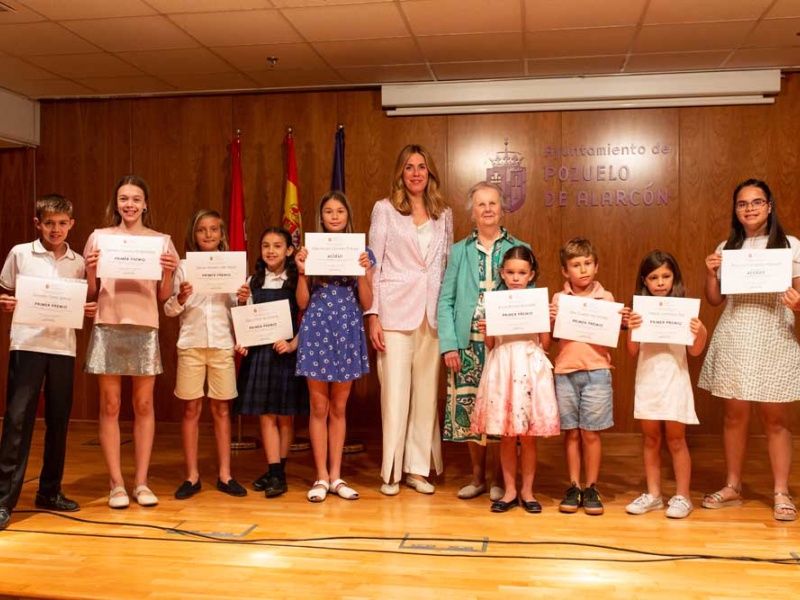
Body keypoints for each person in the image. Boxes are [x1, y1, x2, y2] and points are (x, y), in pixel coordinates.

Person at [699, 179, 800, 522]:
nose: (750, 208)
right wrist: (711, 273)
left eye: (757, 202)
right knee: (734, 416)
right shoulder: (727, 247)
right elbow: (715, 299)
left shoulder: (790, 245)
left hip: (774, 333)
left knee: (776, 419)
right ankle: (733, 486)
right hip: (736, 332)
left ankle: (781, 491)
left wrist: (797, 303)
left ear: (769, 206)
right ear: (736, 210)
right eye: (742, 204)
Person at [0, 195, 97, 529]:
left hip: (63, 348)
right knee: (17, 421)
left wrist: (88, 309)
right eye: (49, 223)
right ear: (37, 224)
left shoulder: (78, 262)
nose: (56, 229)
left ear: (71, 224)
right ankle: (3, 500)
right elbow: (4, 290)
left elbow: (83, 299)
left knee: (58, 420)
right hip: (27, 344)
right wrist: (4, 302)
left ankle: (49, 491)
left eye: (62, 223)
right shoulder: (20, 253)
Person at [83, 175, 179, 509]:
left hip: (144, 327)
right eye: (124, 198)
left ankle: (141, 482)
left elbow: (164, 296)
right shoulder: (99, 237)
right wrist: (91, 270)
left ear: (145, 204)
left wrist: (169, 272)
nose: (130, 205)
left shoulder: (161, 242)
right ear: (116, 203)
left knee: (144, 405)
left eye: (136, 199)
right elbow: (91, 292)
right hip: (108, 324)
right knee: (110, 405)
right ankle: (116, 483)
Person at [368, 144, 453, 496]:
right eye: (409, 167)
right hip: (393, 313)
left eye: (421, 167)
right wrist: (373, 315)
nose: (416, 173)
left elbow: (444, 266)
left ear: (430, 172)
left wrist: (447, 316)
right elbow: (373, 265)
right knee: (395, 394)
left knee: (426, 395)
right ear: (400, 174)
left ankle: (417, 469)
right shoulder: (384, 209)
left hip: (431, 316)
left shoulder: (444, 213)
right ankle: (391, 471)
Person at [437, 181, 527, 501]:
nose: (487, 209)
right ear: (472, 213)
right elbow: (446, 300)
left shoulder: (519, 248)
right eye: (481, 204)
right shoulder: (459, 250)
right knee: (471, 408)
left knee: (502, 409)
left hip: (505, 345)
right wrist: (449, 344)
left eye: (493, 203)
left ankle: (501, 479)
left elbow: (528, 299)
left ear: (502, 209)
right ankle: (477, 478)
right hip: (467, 343)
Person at [165, 209, 250, 500]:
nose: (208, 234)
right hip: (191, 344)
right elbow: (169, 309)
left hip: (222, 344)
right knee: (191, 410)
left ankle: (225, 475)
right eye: (202, 229)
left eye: (214, 229)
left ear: (222, 233)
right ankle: (192, 476)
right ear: (194, 234)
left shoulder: (233, 265)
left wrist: (243, 299)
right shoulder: (184, 267)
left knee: (222, 410)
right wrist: (181, 297)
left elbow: (240, 308)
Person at [295, 193, 374, 502]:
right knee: (319, 407)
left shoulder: (362, 252)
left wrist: (363, 272)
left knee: (339, 407)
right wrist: (302, 273)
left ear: (347, 215)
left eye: (340, 210)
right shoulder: (309, 250)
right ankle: (321, 477)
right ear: (321, 217)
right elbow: (302, 302)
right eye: (328, 211)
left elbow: (367, 301)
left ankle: (337, 476)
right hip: (317, 327)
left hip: (347, 328)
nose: (335, 216)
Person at [471, 246, 559, 513]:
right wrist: (486, 329)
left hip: (529, 365)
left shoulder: (537, 301)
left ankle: (527, 491)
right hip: (503, 365)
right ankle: (509, 491)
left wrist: (547, 322)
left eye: (521, 273)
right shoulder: (494, 301)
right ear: (502, 273)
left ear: (531, 274)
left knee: (528, 436)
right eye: (510, 272)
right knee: (507, 435)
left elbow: (545, 344)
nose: (516, 278)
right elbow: (490, 344)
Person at [624, 251, 707, 519]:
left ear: (674, 278)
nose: (660, 282)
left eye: (666, 276)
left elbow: (695, 351)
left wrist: (700, 331)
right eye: (653, 277)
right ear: (644, 281)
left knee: (676, 439)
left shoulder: (684, 310)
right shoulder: (639, 310)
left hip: (675, 380)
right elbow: (631, 352)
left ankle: (683, 496)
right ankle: (654, 495)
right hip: (648, 380)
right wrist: (631, 327)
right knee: (650, 439)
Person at [235, 227, 309, 498]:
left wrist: (292, 345)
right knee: (265, 415)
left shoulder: (296, 279)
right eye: (266, 245)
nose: (271, 251)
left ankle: (278, 472)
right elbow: (245, 318)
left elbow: (307, 316)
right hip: (260, 356)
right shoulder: (253, 281)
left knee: (285, 416)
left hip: (285, 353)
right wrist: (242, 339)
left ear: (289, 250)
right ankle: (274, 470)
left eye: (277, 246)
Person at [550, 238, 619, 516]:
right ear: (565, 271)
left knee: (591, 433)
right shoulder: (559, 299)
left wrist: (620, 320)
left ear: (596, 266)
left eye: (588, 263)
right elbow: (552, 338)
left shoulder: (607, 299)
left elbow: (611, 336)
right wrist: (551, 318)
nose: (583, 270)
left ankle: (591, 487)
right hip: (566, 372)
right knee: (571, 433)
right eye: (576, 265)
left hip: (597, 372)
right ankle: (574, 486)